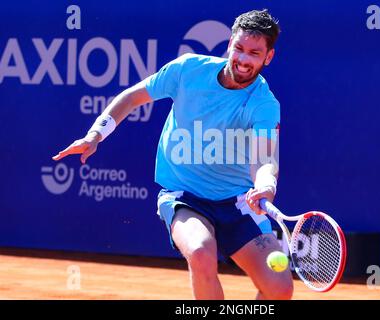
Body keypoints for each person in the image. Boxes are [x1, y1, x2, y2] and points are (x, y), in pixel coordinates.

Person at [53, 9, 293, 300]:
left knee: (279, 290)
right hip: (184, 195)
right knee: (201, 252)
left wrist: (266, 185)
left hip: (238, 202)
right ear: (229, 43)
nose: (243, 59)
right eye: (239, 48)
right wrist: (95, 135)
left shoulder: (264, 104)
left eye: (254, 53)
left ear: (268, 57)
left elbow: (265, 158)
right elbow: (131, 97)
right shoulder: (188, 70)